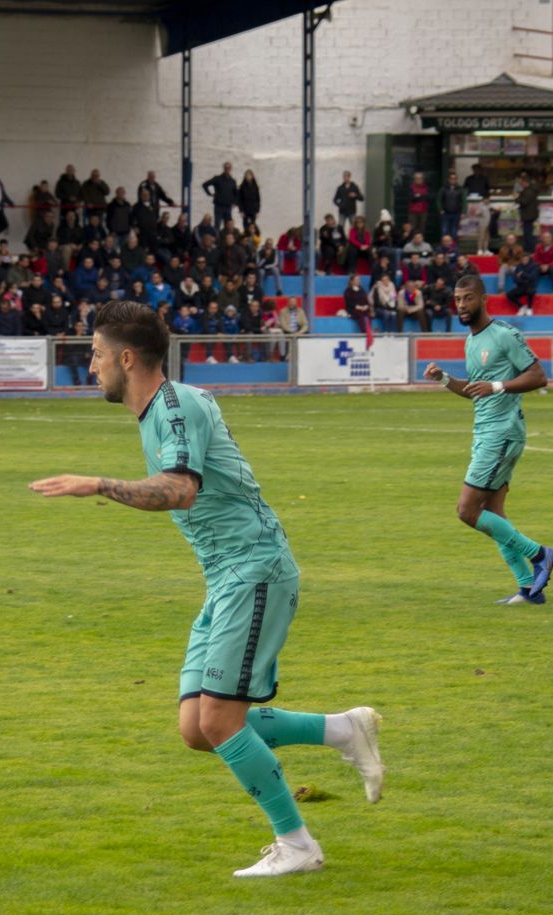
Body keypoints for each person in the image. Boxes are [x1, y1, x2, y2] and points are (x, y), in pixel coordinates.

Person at [29, 300, 385, 877]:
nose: (91, 366)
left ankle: (297, 845)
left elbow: (179, 490)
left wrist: (94, 483)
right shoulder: (161, 411)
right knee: (198, 728)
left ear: (126, 357)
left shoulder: (175, 406)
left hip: (254, 568)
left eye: (95, 355)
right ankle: (344, 730)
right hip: (227, 577)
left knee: (220, 720)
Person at [422, 274, 553, 605]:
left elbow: (539, 376)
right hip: (485, 431)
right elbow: (474, 391)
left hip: (502, 433)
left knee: (467, 510)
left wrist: (498, 386)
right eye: (457, 299)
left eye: (467, 298)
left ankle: (540, 554)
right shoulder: (471, 341)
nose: (461, 305)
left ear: (483, 299)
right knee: (492, 512)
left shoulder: (504, 335)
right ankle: (528, 588)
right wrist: (444, 379)